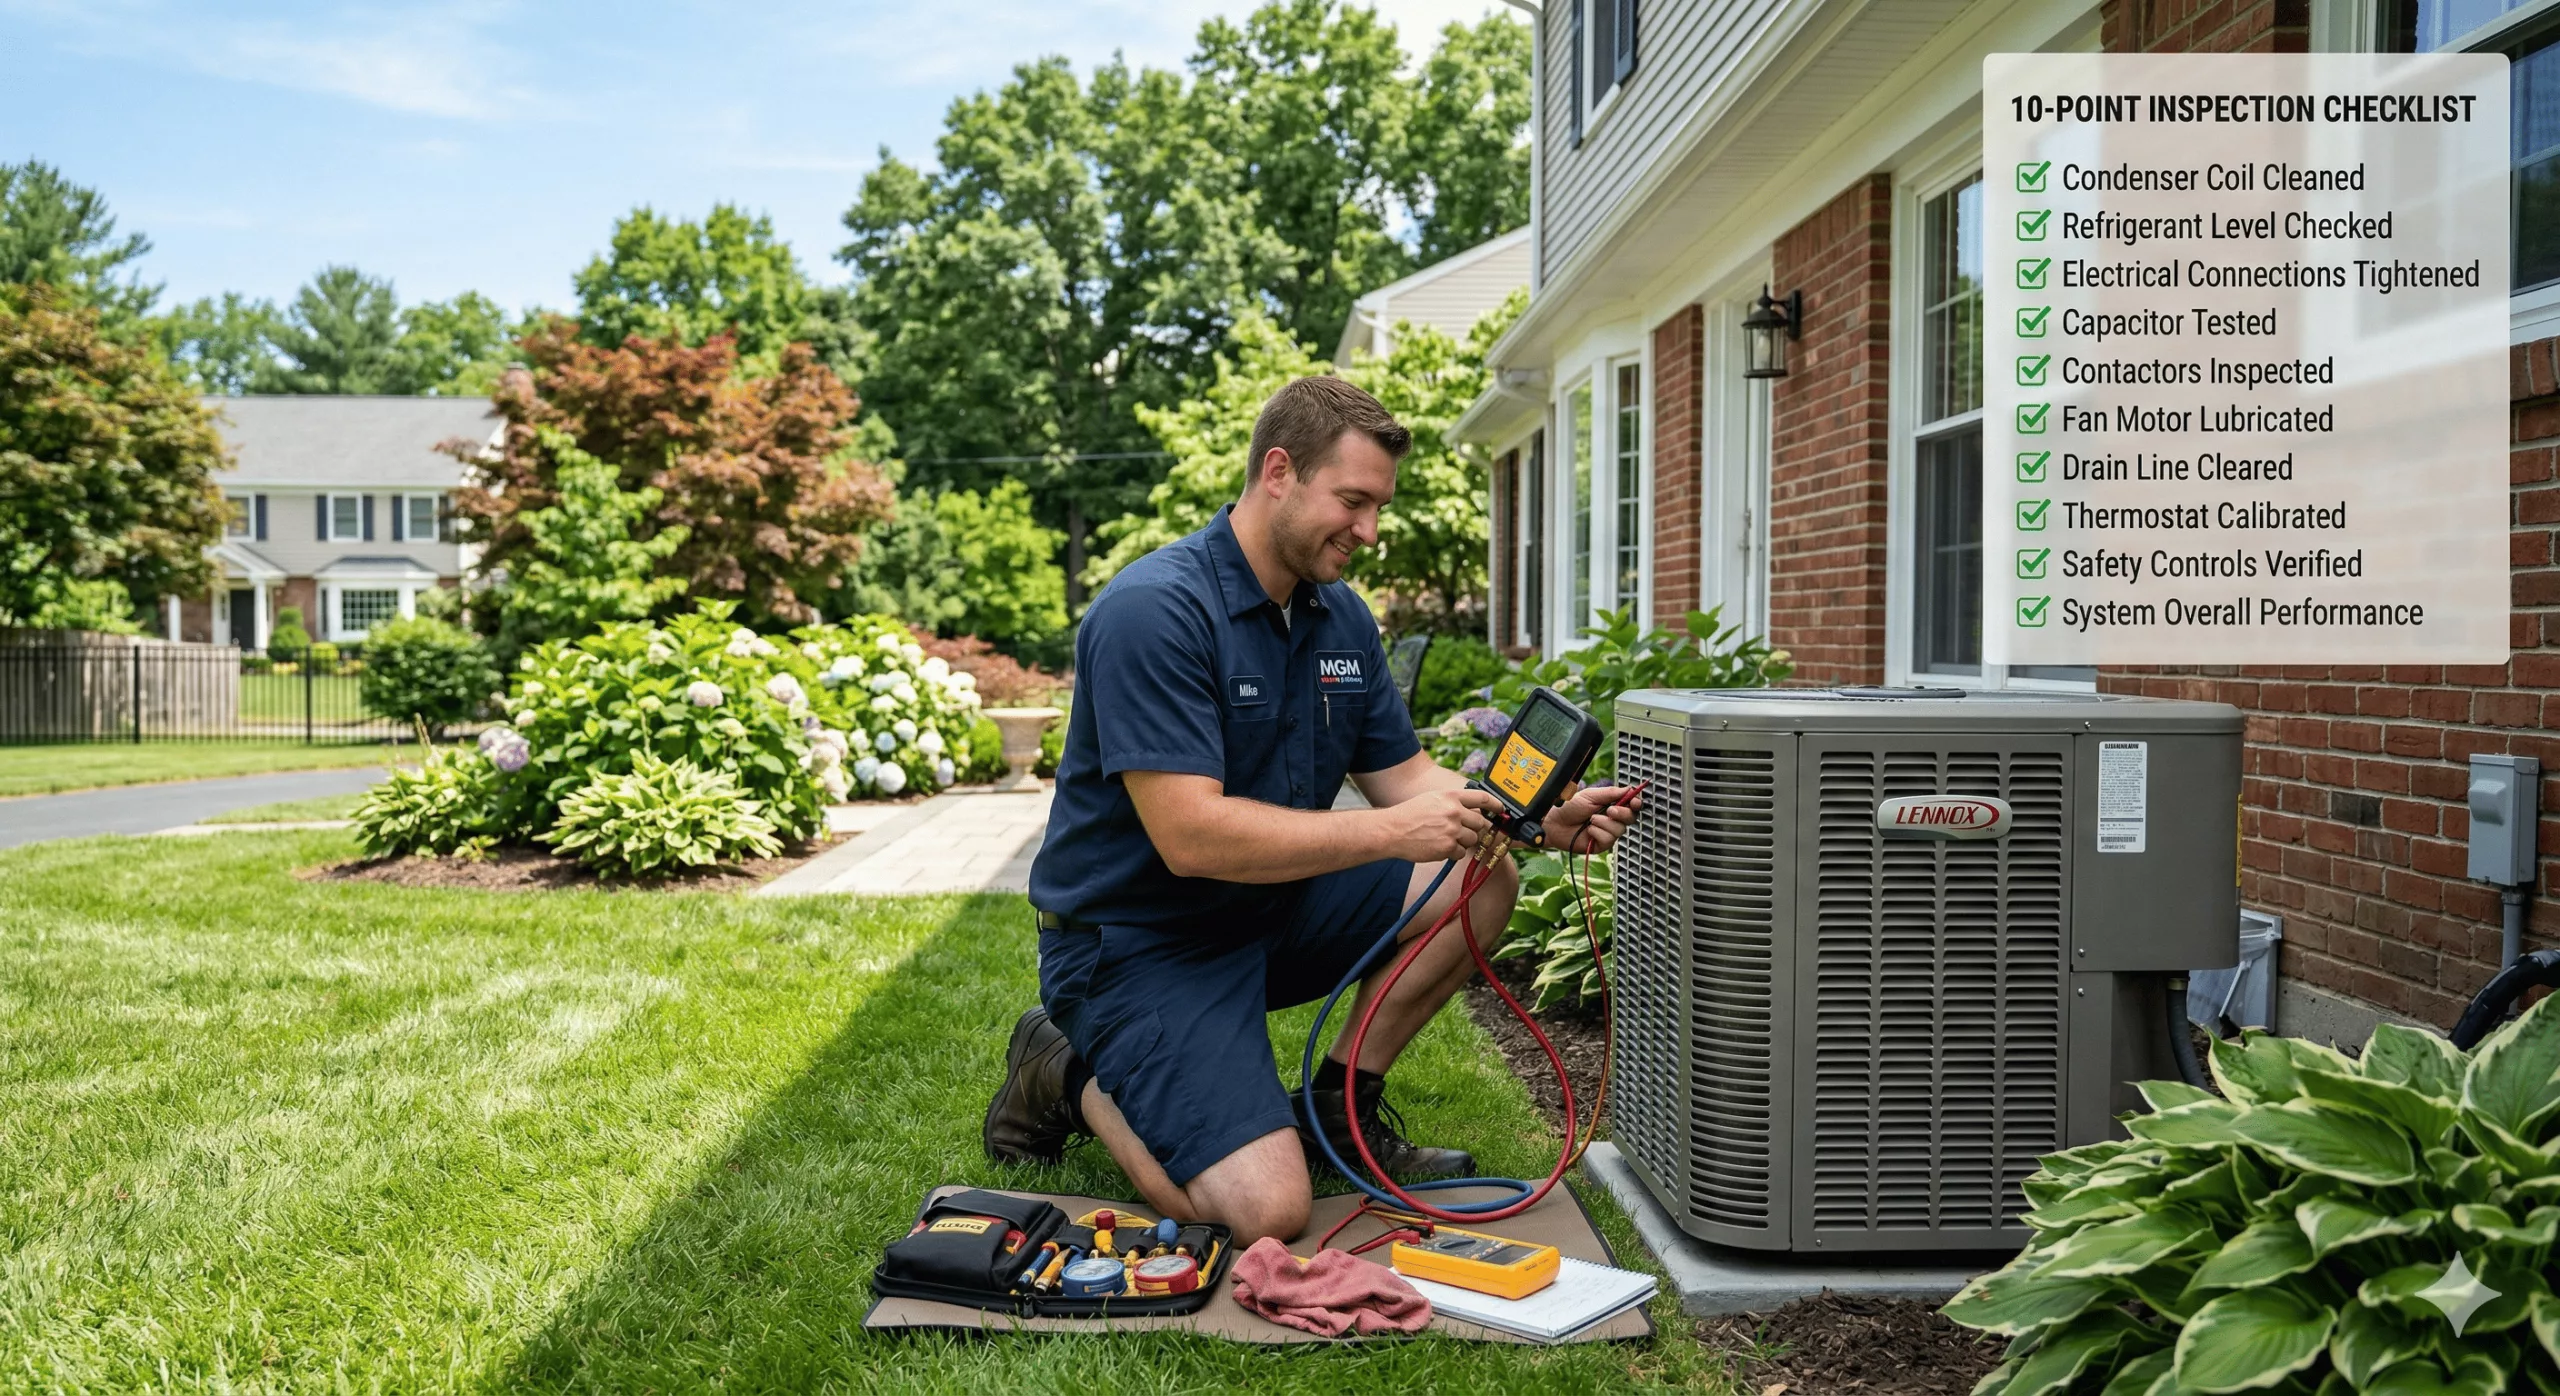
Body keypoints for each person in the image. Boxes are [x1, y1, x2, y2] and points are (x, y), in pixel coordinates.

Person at [982, 376, 1638, 1246]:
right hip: (1137, 943)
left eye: (1377, 508)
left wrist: (1533, 815)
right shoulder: (1155, 611)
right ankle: (1065, 1069)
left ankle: (1341, 1112)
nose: (1367, 532)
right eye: (1353, 501)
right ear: (1279, 472)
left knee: (1482, 879)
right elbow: (1190, 836)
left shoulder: (1339, 617)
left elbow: (1405, 778)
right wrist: (1388, 834)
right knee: (1265, 1213)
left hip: (1268, 909)